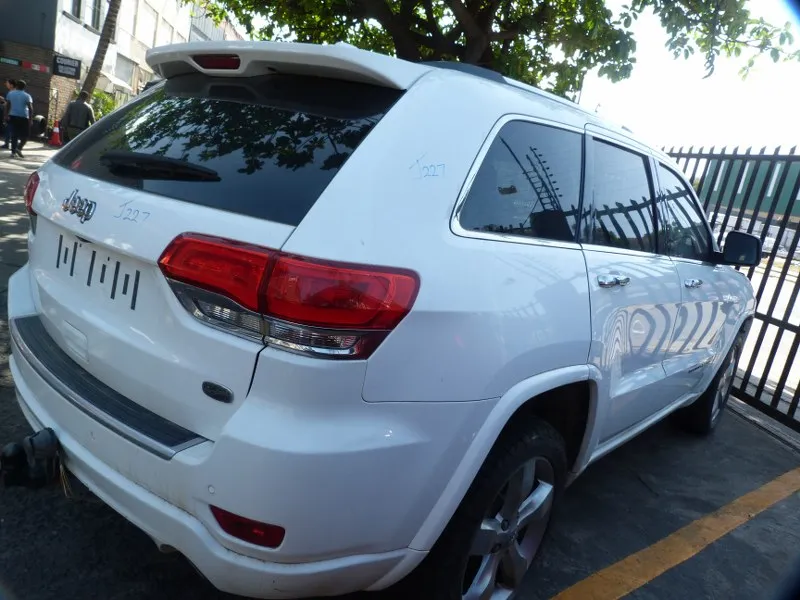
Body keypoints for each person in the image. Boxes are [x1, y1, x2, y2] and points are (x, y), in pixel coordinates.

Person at [4, 79, 33, 158]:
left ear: (16, 86)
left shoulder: (10, 93)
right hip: (23, 117)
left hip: (12, 116)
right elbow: (30, 108)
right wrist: (30, 119)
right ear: (24, 87)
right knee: (26, 135)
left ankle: (13, 152)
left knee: (14, 135)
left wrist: (6, 115)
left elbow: (7, 105)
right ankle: (19, 147)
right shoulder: (27, 96)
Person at [1, 78, 16, 149]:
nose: (6, 84)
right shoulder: (13, 92)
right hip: (12, 113)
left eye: (7, 83)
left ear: (11, 85)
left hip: (11, 113)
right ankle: (9, 144)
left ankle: (8, 144)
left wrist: (3, 100)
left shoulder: (11, 93)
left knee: (9, 128)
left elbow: (9, 104)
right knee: (10, 129)